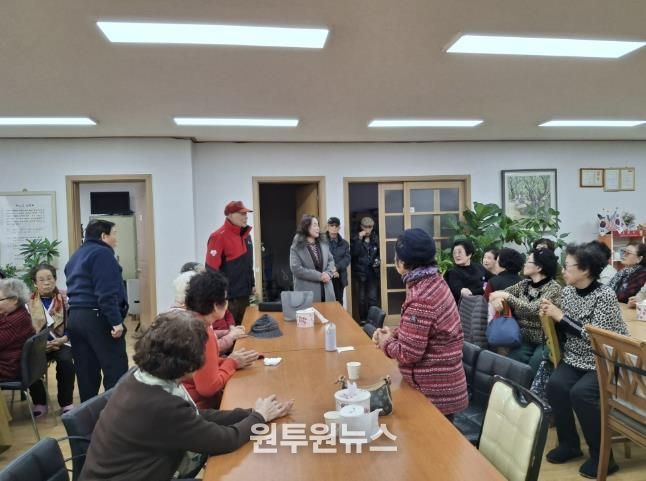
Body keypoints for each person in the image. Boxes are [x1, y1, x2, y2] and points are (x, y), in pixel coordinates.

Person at [79, 309, 294, 481]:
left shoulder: (140, 378)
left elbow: (195, 417)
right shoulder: (161, 405)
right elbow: (224, 440)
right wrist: (258, 418)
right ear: (190, 363)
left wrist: (250, 413)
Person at [541, 242, 628, 479]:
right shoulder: (568, 292)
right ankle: (569, 444)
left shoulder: (605, 295)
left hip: (605, 359)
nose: (563, 270)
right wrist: (550, 316)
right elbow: (566, 328)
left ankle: (603, 458)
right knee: (555, 386)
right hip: (576, 358)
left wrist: (560, 317)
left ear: (586, 269)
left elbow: (595, 337)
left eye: (567, 266)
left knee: (581, 394)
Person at [373, 229, 468, 419]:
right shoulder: (435, 281)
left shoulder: (421, 297)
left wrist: (385, 342)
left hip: (433, 395)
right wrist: (395, 333)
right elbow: (426, 330)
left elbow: (408, 353)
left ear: (401, 263)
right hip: (444, 386)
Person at [65, 219, 129, 402]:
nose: (116, 239)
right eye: (114, 234)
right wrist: (116, 321)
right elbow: (106, 292)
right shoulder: (102, 253)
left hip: (76, 317)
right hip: (98, 317)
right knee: (115, 368)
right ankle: (115, 413)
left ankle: (88, 413)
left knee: (86, 371)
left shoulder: (76, 255)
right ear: (103, 236)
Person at [183, 271, 259, 409]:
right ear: (214, 305)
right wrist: (231, 363)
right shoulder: (203, 333)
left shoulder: (188, 321)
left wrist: (229, 360)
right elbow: (208, 388)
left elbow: (201, 364)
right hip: (195, 408)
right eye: (225, 298)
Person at [489, 249, 561, 373]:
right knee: (511, 365)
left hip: (545, 340)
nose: (524, 264)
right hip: (524, 338)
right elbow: (496, 294)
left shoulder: (554, 288)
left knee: (534, 366)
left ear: (538, 267)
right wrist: (497, 299)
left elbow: (532, 308)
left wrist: (507, 297)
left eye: (528, 261)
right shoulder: (524, 284)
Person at [27, 264, 76, 416]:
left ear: (55, 279)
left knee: (66, 361)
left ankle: (66, 403)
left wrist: (65, 338)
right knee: (30, 362)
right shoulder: (28, 302)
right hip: (37, 345)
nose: (46, 282)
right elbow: (25, 329)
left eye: (49, 278)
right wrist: (40, 344)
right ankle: (40, 402)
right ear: (35, 283)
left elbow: (73, 323)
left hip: (62, 341)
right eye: (41, 280)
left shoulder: (65, 298)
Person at [205, 201, 255, 325]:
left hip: (244, 295)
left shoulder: (246, 236)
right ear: (230, 215)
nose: (245, 217)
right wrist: (219, 296)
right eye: (241, 214)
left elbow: (248, 264)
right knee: (229, 333)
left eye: (246, 214)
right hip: (228, 299)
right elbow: (211, 270)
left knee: (243, 331)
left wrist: (252, 284)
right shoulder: (218, 236)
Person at [173, 271, 244, 355]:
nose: (227, 302)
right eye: (225, 299)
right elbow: (209, 352)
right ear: (215, 305)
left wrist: (226, 332)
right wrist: (232, 360)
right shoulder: (196, 330)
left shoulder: (194, 320)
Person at [290, 215, 336, 302]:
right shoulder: (296, 246)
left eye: (318, 225)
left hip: (327, 291)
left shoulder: (323, 243)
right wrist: (319, 276)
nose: (318, 228)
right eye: (314, 225)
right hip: (307, 293)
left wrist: (328, 273)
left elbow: (331, 260)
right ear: (306, 227)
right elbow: (296, 269)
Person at [0, 279, 35, 381]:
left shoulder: (14, 321)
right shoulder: (19, 312)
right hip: (11, 362)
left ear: (15, 300)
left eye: (0, 300)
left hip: (7, 367)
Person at [351, 216, 380, 322]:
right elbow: (354, 253)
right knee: (361, 298)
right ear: (361, 226)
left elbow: (380, 253)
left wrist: (378, 260)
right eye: (365, 227)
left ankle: (373, 320)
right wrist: (359, 238)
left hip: (372, 272)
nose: (368, 229)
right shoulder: (355, 238)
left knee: (372, 297)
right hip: (360, 272)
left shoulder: (376, 237)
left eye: (370, 227)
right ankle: (363, 320)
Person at [325, 216, 351, 304]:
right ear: (327, 227)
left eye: (336, 226)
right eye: (331, 225)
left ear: (339, 228)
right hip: (325, 276)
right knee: (326, 303)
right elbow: (320, 258)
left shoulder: (345, 243)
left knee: (339, 302)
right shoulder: (321, 241)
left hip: (339, 276)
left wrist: (336, 268)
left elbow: (347, 259)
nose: (334, 228)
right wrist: (331, 271)